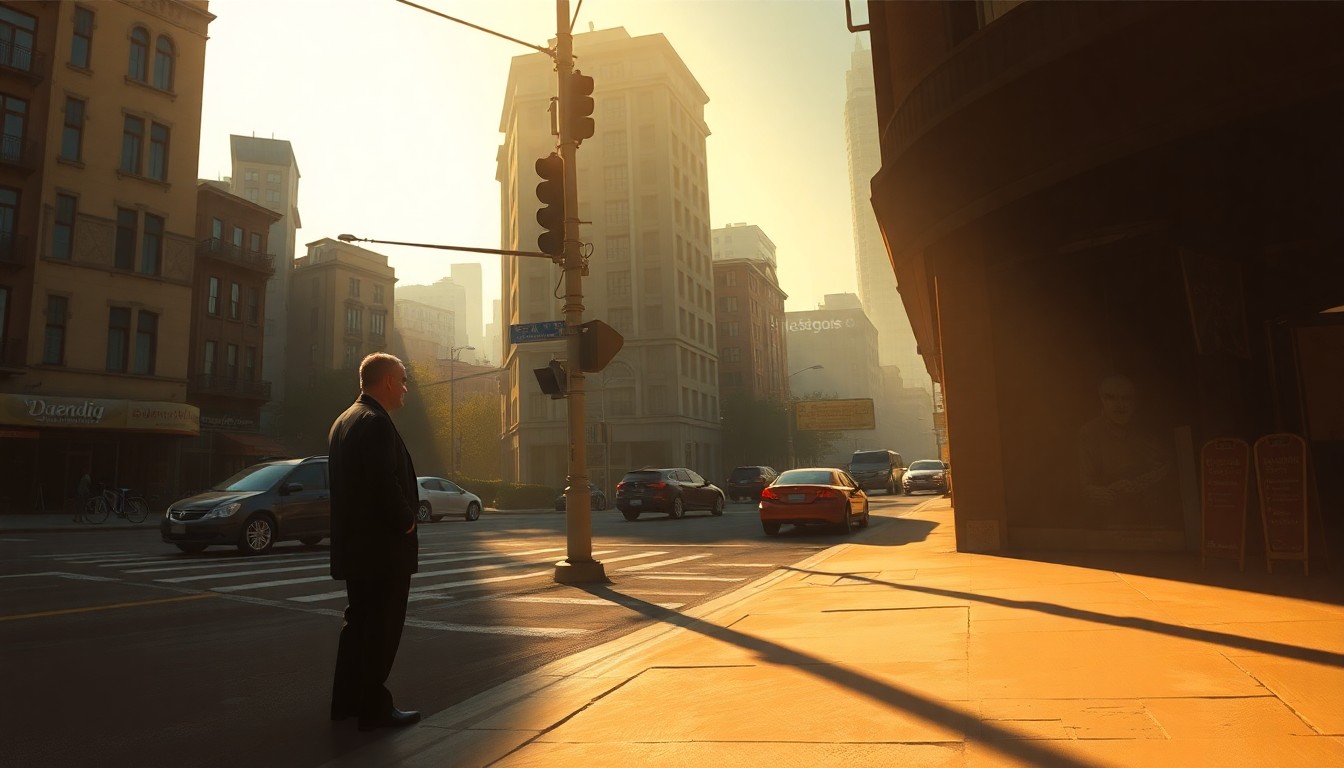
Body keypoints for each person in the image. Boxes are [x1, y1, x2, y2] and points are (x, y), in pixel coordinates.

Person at [327, 352, 421, 730]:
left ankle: (346, 702)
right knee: (381, 630)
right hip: (383, 551)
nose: (405, 388)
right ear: (386, 382)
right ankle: (374, 707)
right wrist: (406, 521)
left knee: (359, 625)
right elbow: (384, 482)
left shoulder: (344, 420)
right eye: (402, 380)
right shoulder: (376, 423)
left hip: (355, 548)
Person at [1076, 374, 1174, 528]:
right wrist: (1097, 492)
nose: (1119, 404)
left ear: (1134, 402)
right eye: (1111, 398)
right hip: (1104, 521)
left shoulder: (1145, 432)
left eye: (1126, 398)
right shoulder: (1089, 433)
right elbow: (1083, 484)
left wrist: (1134, 485)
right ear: (1101, 400)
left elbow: (1165, 468)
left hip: (1147, 521)